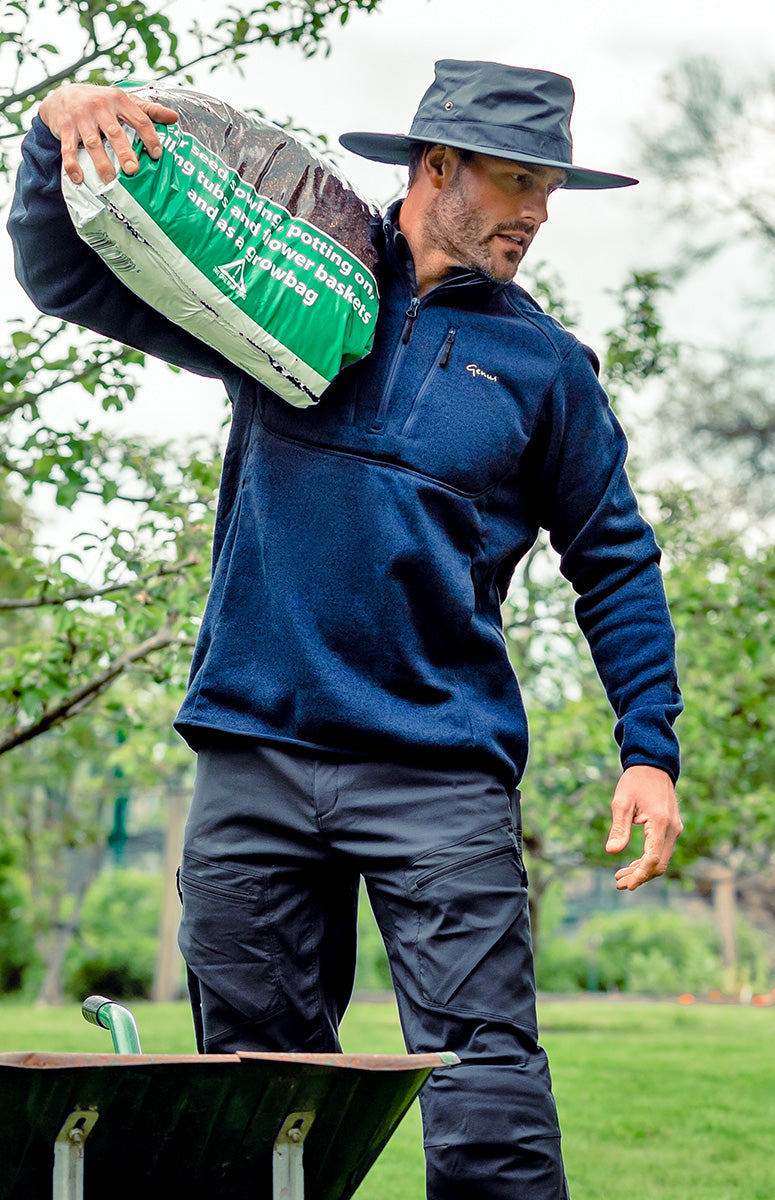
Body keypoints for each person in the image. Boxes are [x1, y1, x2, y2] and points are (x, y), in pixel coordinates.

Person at [9, 60, 683, 1199]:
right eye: (518, 181)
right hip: (254, 754)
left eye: (550, 192)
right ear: (437, 169)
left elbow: (614, 562)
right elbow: (70, 277)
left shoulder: (546, 369)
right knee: (254, 1094)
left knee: (487, 1092)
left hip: (438, 776)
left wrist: (650, 750)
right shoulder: (289, 279)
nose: (537, 214)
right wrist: (50, 137)